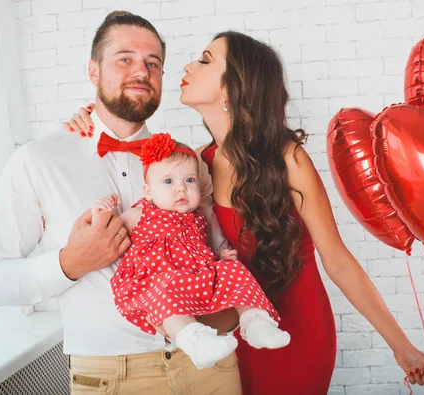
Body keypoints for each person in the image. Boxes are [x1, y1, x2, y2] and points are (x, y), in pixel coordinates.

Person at [65, 30, 424, 394]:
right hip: (228, 336)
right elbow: (140, 175)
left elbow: (338, 261)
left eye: (204, 61)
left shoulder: (287, 158)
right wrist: (85, 120)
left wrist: (402, 347)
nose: (187, 67)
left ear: (233, 87)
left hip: (294, 332)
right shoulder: (197, 167)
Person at [0, 11, 242, 394]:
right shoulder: (37, 160)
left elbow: (213, 240)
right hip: (113, 377)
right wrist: (69, 263)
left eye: (153, 63)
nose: (141, 71)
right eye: (125, 58)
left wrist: (228, 313)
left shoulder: (187, 160)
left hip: (212, 369)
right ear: (93, 70)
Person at [93, 133, 290, 369]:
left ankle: (256, 322)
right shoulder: (141, 213)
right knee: (165, 294)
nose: (181, 190)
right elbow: (105, 235)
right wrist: (100, 212)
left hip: (197, 279)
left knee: (233, 270)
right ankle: (195, 341)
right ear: (148, 191)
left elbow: (210, 246)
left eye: (190, 181)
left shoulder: (199, 217)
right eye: (168, 182)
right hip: (157, 283)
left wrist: (222, 256)